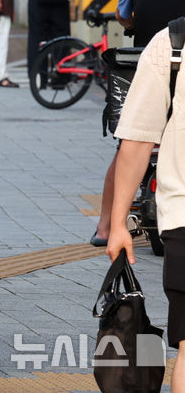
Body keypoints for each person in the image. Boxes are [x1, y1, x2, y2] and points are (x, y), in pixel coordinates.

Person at [92, 0, 185, 246]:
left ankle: (104, 225)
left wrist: (138, 22)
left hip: (146, 68)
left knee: (128, 146)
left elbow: (122, 15)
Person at [106, 29, 185, 392]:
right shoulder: (172, 45)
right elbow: (138, 138)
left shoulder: (173, 43)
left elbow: (137, 139)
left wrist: (118, 221)